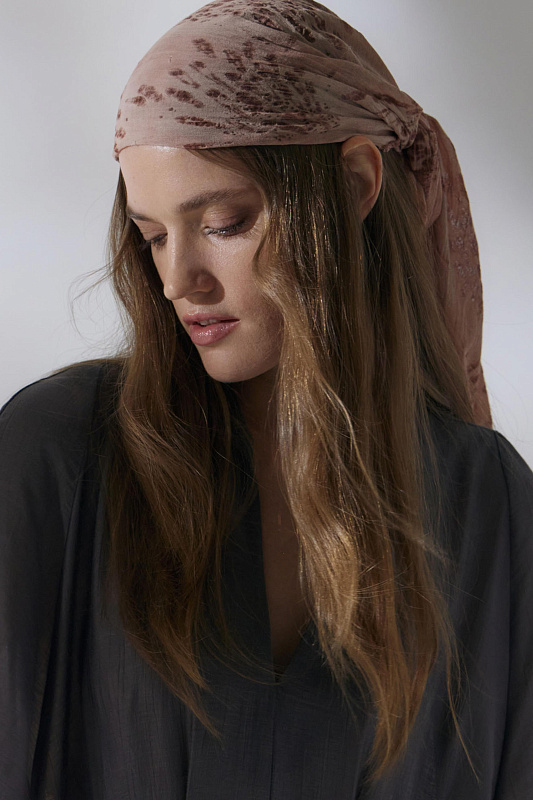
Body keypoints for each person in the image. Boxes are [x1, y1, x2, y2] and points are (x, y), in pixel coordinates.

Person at [1, 1, 531, 798]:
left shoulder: (487, 502)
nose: (178, 281)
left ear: (353, 185)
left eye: (223, 222)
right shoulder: (60, 453)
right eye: (152, 236)